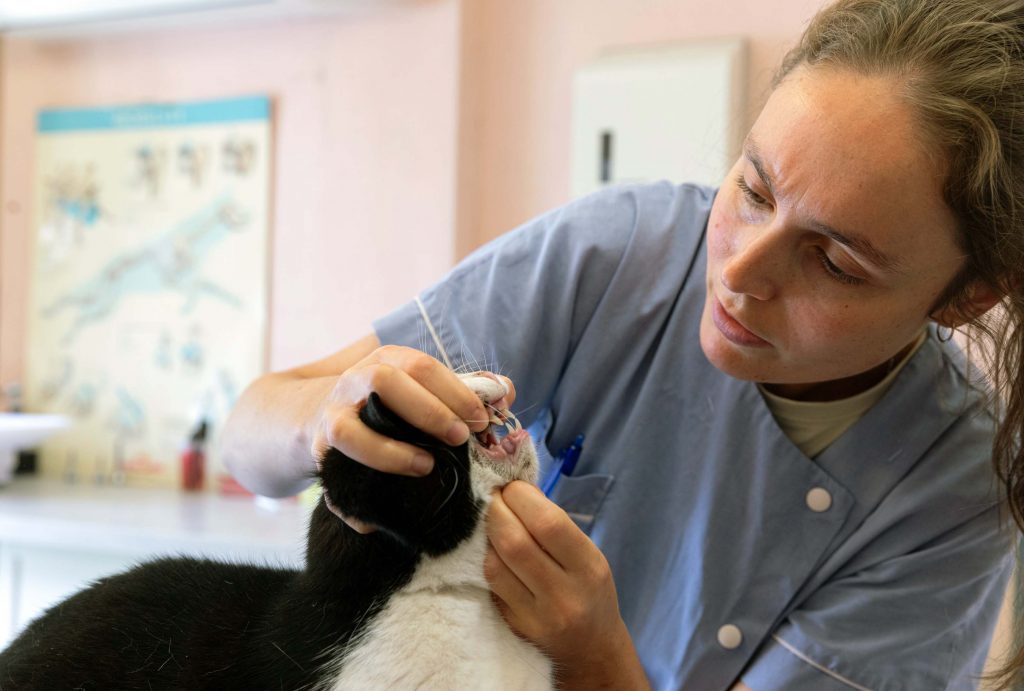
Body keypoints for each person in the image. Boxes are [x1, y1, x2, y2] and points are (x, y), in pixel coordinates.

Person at [222, 0, 1024, 688]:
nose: (739, 270)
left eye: (834, 261)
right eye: (751, 188)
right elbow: (248, 435)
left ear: (964, 297)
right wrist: (320, 418)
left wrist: (595, 657)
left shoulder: (951, 493)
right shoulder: (619, 258)